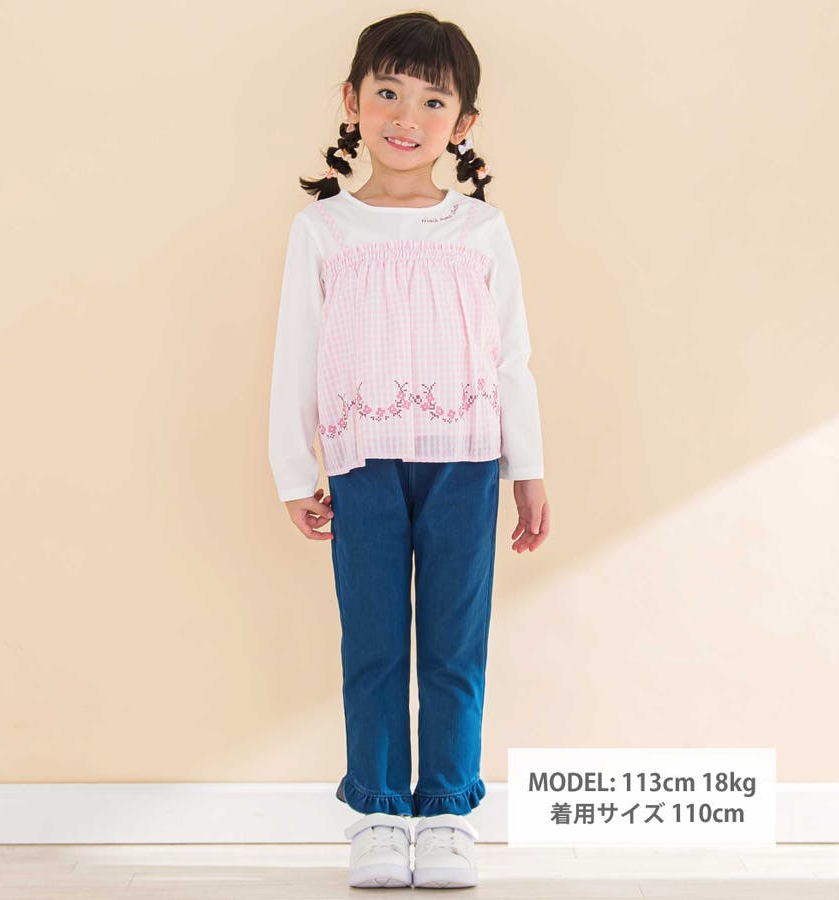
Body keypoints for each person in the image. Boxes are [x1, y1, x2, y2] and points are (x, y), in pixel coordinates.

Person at [268, 11, 551, 889]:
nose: (405, 116)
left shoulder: (479, 229)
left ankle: (449, 814)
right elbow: (297, 352)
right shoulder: (324, 229)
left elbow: (509, 357)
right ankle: (381, 814)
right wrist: (294, 470)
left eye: (433, 100)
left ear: (463, 123)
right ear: (352, 101)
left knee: (455, 646)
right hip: (362, 462)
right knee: (376, 643)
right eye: (387, 92)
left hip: (466, 458)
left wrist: (528, 469)